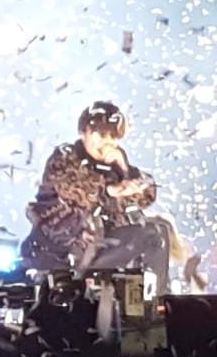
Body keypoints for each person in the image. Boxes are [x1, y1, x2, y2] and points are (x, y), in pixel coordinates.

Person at [21, 101, 170, 292]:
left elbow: (147, 195)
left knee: (155, 233)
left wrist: (125, 170)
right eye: (100, 135)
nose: (106, 142)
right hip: (58, 251)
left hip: (99, 251)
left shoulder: (116, 168)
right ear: (83, 133)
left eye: (113, 137)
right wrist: (110, 191)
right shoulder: (65, 157)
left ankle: (147, 307)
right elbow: (76, 191)